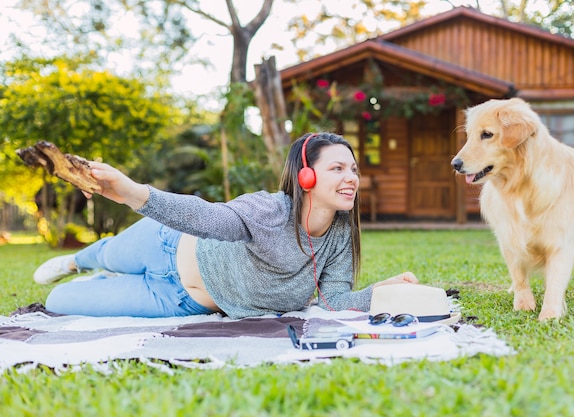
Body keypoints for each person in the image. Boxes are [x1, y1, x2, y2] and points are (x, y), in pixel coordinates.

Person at [34, 132, 419, 318]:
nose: (351, 177)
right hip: (167, 243)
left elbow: (335, 300)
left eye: (353, 168)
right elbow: (209, 217)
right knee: (103, 252)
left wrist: (378, 293)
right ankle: (76, 263)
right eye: (337, 168)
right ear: (306, 176)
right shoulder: (269, 210)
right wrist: (135, 192)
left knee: (58, 302)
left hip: (183, 301)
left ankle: (101, 282)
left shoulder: (340, 237)